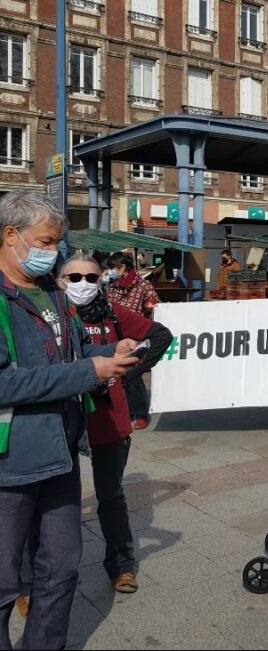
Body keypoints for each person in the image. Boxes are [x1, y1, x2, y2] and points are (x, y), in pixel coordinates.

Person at [0, 192, 141, 650]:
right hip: (9, 464)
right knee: (4, 582)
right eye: (45, 241)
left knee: (61, 569)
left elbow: (76, 352)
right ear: (10, 235)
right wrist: (87, 372)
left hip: (61, 454)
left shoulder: (56, 298)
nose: (53, 252)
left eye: (57, 243)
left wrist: (109, 353)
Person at [57, 255, 172, 595]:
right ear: (61, 280)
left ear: (101, 280)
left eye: (91, 278)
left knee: (111, 496)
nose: (82, 284)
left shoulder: (111, 313)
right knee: (56, 502)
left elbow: (160, 336)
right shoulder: (51, 315)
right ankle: (42, 575)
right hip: (61, 420)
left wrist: (128, 373)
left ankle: (121, 565)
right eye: (74, 276)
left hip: (107, 418)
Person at [106, 252, 160, 430]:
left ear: (123, 267)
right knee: (119, 377)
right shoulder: (112, 286)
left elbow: (156, 306)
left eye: (113, 267)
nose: (111, 271)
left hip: (137, 337)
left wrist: (151, 306)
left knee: (133, 377)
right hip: (116, 337)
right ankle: (126, 412)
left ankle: (142, 414)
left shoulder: (143, 285)